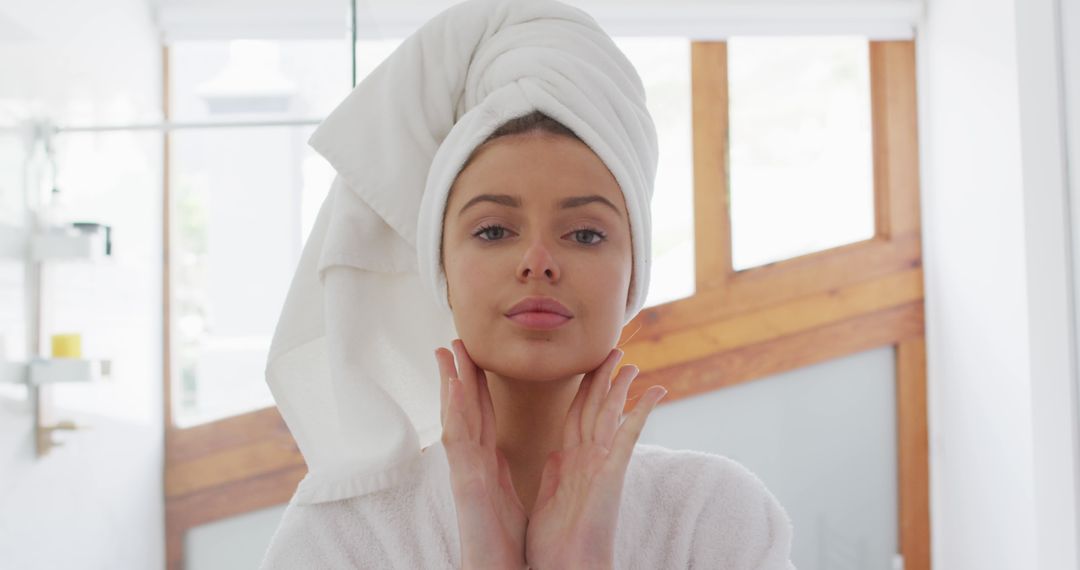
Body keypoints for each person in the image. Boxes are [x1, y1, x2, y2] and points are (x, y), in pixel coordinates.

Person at [259, 0, 795, 568]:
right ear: (439, 267)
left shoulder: (714, 518)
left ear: (634, 270)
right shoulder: (340, 536)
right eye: (493, 230)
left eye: (585, 234)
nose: (537, 262)